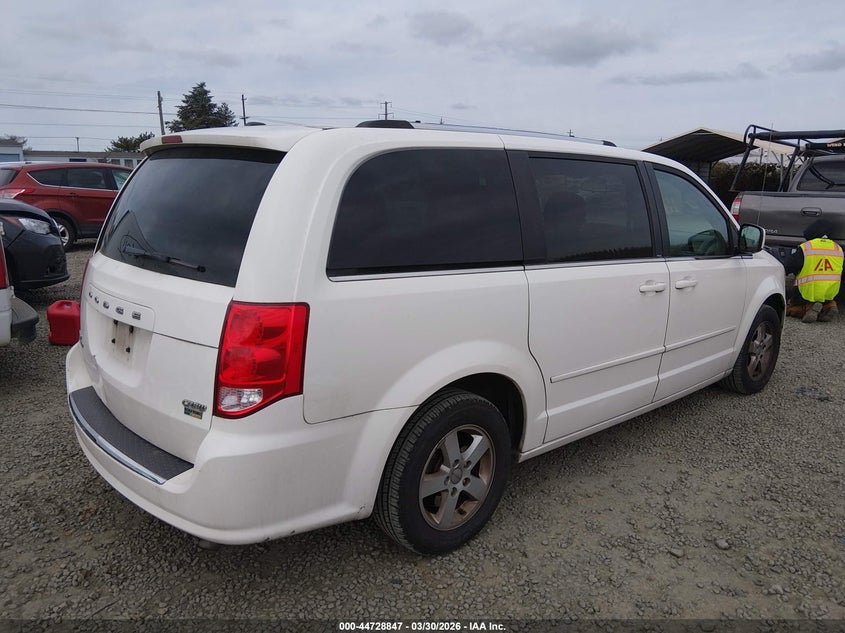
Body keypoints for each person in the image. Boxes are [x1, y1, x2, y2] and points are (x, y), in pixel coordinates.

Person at [784, 219, 843, 323]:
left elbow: (790, 265)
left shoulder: (807, 247)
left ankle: (807, 308)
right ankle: (830, 305)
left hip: (807, 292)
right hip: (829, 292)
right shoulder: (837, 248)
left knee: (788, 309)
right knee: (824, 297)